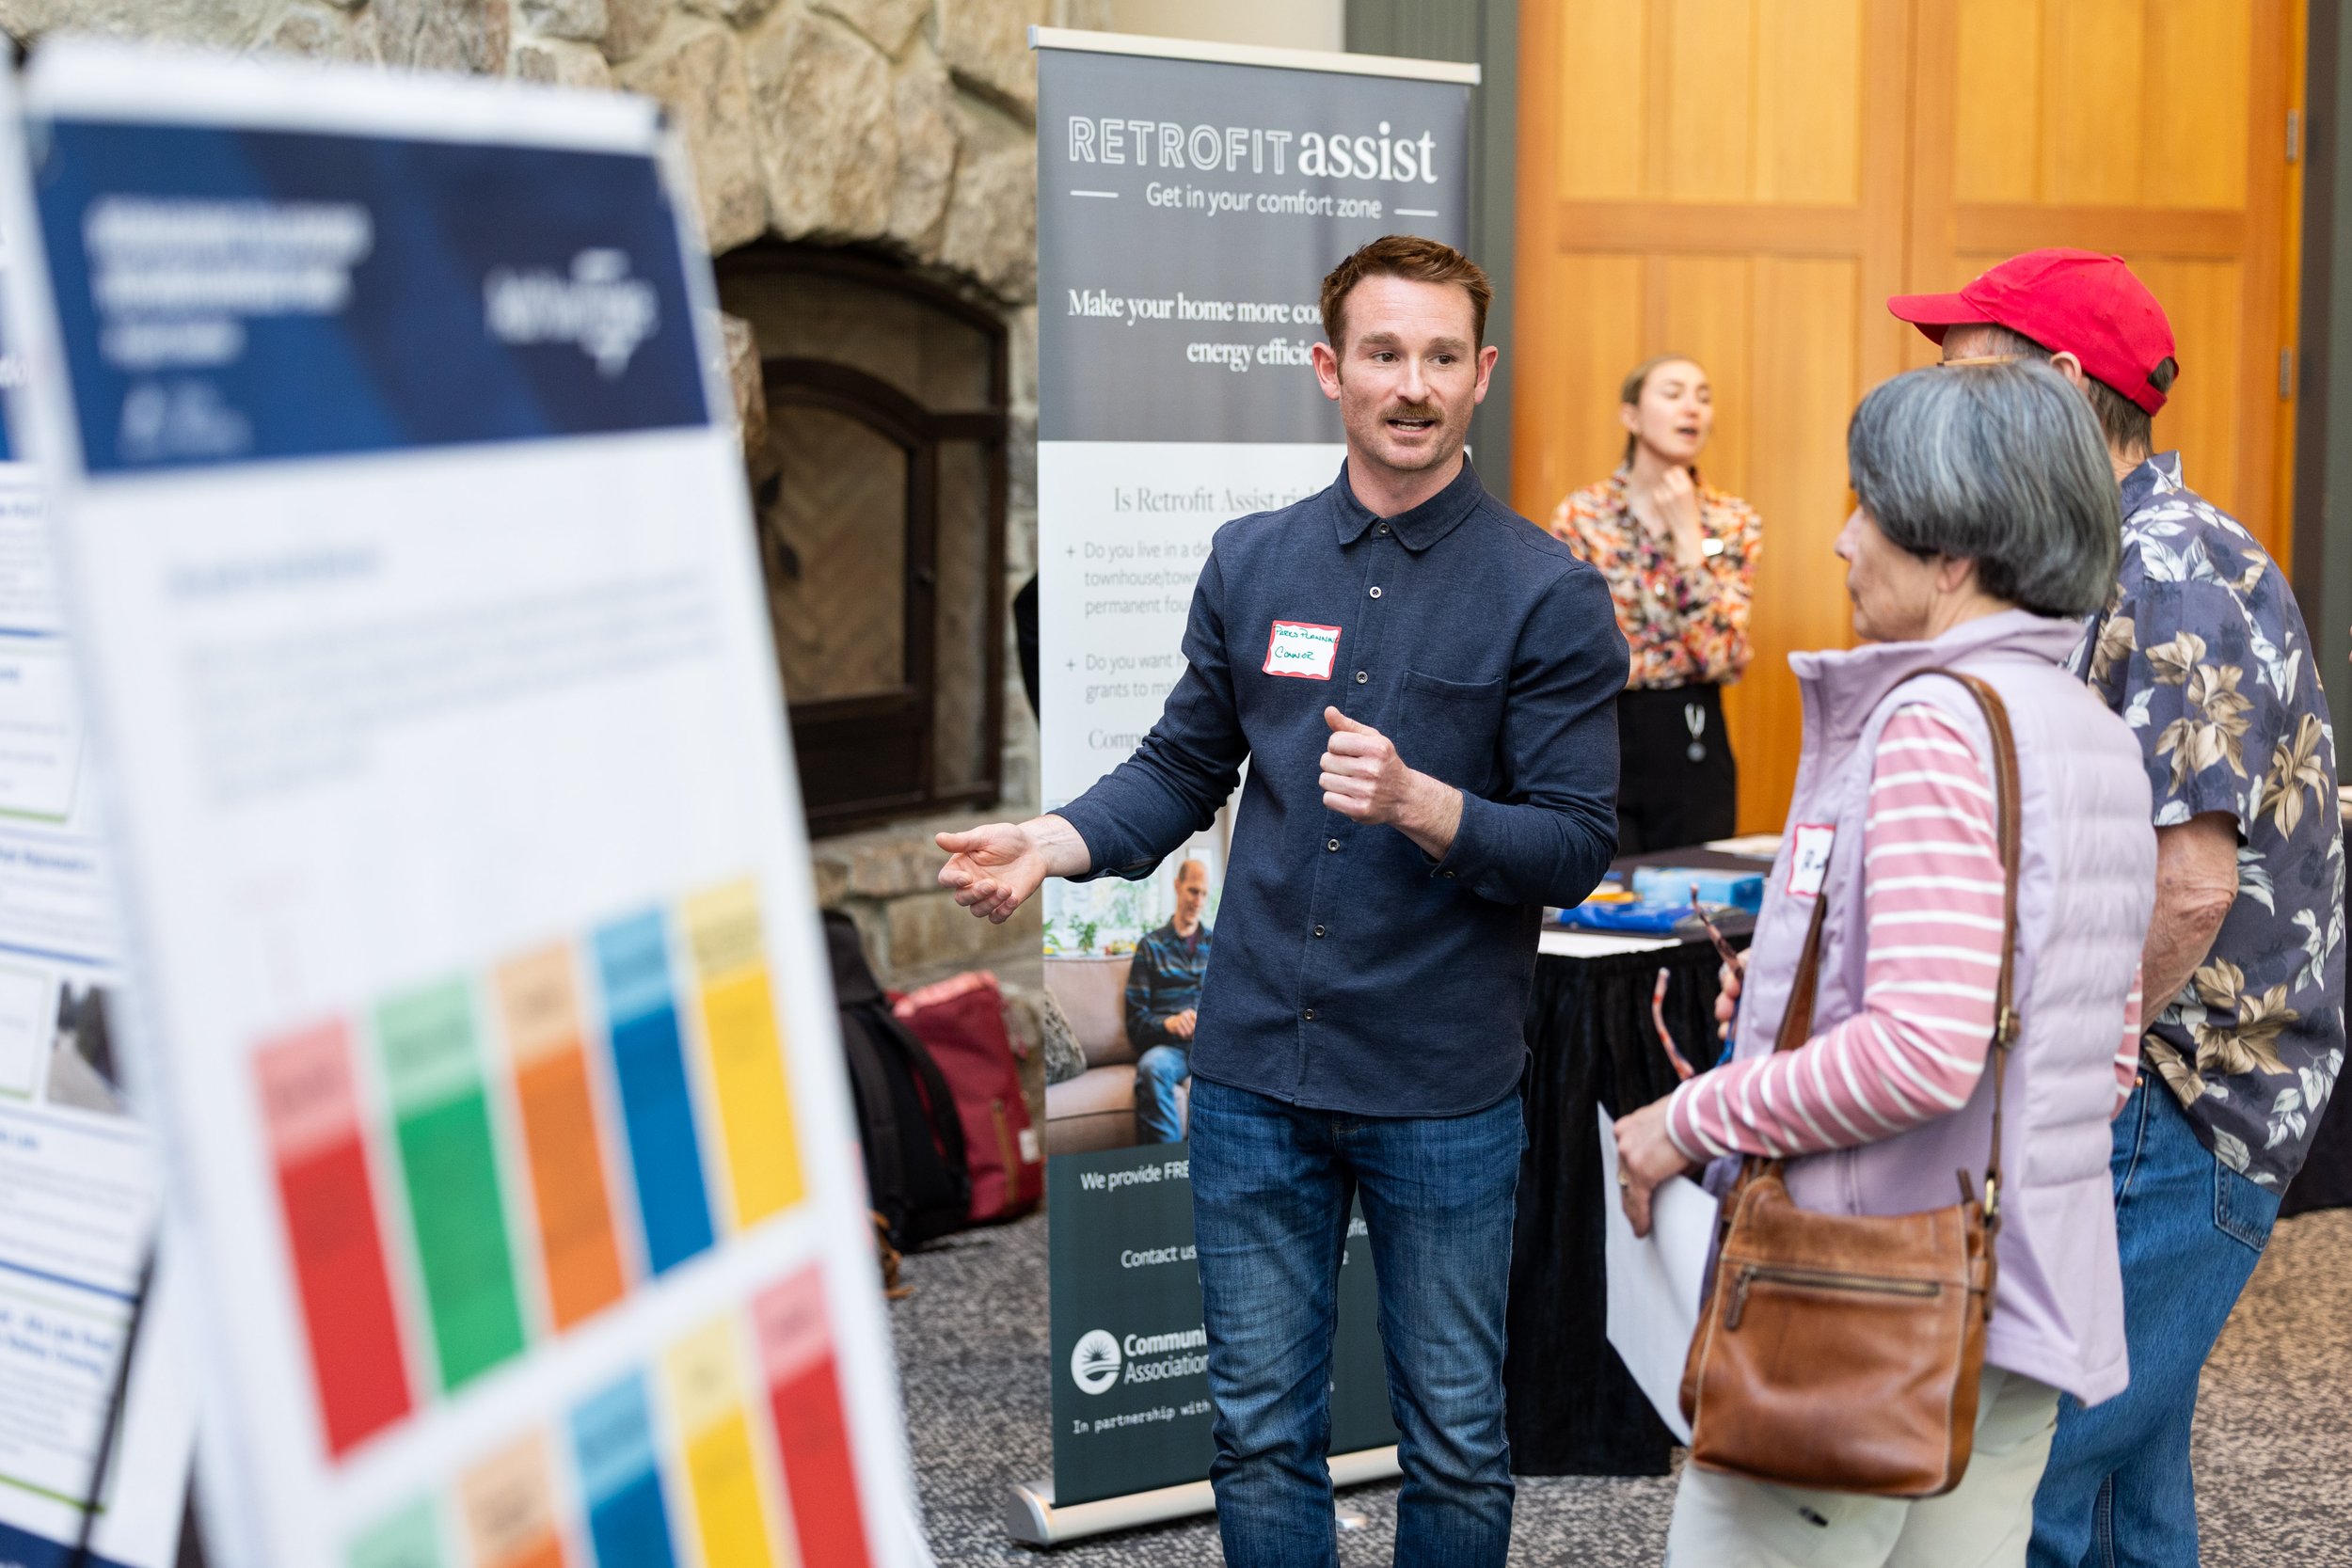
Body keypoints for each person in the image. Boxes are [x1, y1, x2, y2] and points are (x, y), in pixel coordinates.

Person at [937, 234, 1626, 1568]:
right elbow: (1180, 766)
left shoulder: (1549, 591)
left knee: (1457, 1439)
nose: (1410, 384)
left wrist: (1428, 803)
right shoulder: (1252, 561)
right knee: (1256, 1430)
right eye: (1383, 353)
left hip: (1440, 1084)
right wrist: (1057, 838)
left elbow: (1576, 845)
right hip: (1254, 1075)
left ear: (1482, 374)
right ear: (1331, 369)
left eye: (1439, 355)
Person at [1614, 361, 2157, 1566]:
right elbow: (2095, 1045)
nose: (1840, 537)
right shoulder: (2094, 737)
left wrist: (1685, 1118)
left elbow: (1922, 1048)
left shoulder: (1933, 723)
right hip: (2020, 1291)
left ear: (1952, 550)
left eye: (1865, 504)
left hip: (1861, 1302)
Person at [1887, 249, 2345, 1568]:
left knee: (2011, 1484)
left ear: (2063, 385)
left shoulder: (2164, 567)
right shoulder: (2109, 554)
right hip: (2152, 1083)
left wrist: (2049, 1059)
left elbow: (2190, 885)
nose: (1940, 400)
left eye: (1965, 370)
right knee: (2117, 1491)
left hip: (2168, 1089)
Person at [1547, 355, 1761, 851]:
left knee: (1691, 898)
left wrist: (1688, 539)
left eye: (1703, 397)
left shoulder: (1731, 520)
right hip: (1601, 722)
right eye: (1673, 393)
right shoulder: (1585, 515)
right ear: (1632, 416)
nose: (1692, 408)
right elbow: (1575, 644)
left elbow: (1721, 657)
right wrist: (1671, 650)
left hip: (1691, 728)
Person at [1124, 857, 1213, 1144]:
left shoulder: (1218, 945)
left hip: (1211, 1048)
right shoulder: (1150, 946)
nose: (1198, 900)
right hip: (1169, 1050)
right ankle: (1168, 1167)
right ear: (1177, 886)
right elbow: (1135, 1020)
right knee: (1152, 1068)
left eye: (1203, 893)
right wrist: (1170, 1024)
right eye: (1192, 890)